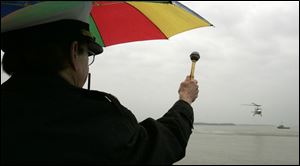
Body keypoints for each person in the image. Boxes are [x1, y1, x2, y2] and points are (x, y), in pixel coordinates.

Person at [1, 2, 199, 165]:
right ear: (74, 51)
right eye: (88, 54)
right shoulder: (94, 121)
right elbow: (159, 146)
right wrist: (184, 101)